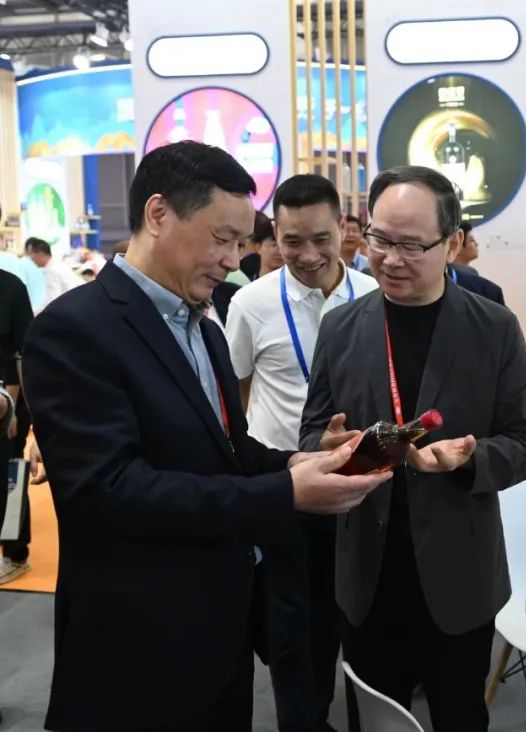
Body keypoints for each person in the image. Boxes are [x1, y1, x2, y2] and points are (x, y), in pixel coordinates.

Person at [21, 141, 391, 732]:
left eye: (242, 243)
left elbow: (228, 448)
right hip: (137, 640)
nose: (233, 259)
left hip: (220, 626)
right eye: (223, 238)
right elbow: (109, 491)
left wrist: (294, 462)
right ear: (158, 214)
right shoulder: (75, 329)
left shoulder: (205, 327)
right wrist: (285, 493)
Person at [299, 165, 526, 732]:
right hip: (367, 569)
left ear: (452, 244)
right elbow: (312, 433)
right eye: (379, 239)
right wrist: (327, 449)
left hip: (459, 571)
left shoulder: (493, 328)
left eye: (411, 245)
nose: (390, 259)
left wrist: (470, 458)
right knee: (374, 717)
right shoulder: (341, 327)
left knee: (460, 714)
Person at [226, 174, 377, 732]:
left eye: (321, 238)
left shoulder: (375, 295)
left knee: (364, 628)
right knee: (294, 636)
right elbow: (236, 396)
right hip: (289, 492)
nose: (308, 255)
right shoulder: (251, 304)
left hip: (363, 489)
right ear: (274, 235)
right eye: (292, 241)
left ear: (345, 229)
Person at [0, 269, 33, 585]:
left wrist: (14, 410)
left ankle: (15, 553)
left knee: (9, 477)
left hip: (10, 402)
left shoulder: (11, 287)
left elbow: (22, 354)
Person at [26, 237, 83, 313]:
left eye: (31, 255)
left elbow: (51, 300)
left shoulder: (52, 270)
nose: (31, 259)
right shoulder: (57, 264)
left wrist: (33, 314)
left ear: (40, 254)